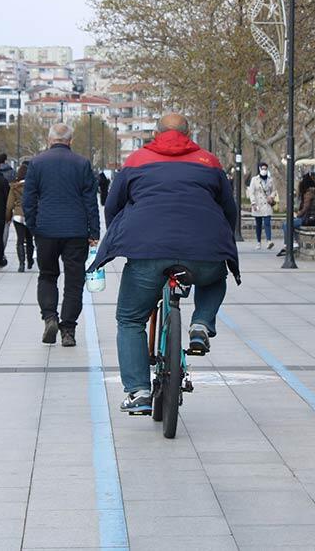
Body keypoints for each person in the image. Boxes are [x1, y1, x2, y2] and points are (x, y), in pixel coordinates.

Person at [90, 113, 240, 413]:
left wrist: (124, 234)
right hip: (203, 250)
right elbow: (228, 208)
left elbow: (113, 205)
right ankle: (201, 323)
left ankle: (139, 392)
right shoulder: (209, 162)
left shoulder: (137, 160)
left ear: (156, 133)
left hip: (147, 250)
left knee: (130, 319)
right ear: (189, 132)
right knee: (214, 278)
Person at [23, 123, 100, 347]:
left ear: (49, 140)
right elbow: (90, 201)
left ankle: (50, 317)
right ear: (70, 141)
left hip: (46, 229)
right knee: (74, 282)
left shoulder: (37, 163)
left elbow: (28, 199)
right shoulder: (82, 163)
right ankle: (68, 330)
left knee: (47, 275)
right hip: (76, 230)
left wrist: (33, 226)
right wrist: (94, 231)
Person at [278, 173, 315, 256]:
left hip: (309, 218)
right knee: (291, 223)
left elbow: (305, 208)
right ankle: (291, 243)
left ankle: (290, 244)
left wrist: (297, 214)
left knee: (287, 224)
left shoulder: (309, 193)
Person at [6, 163, 35, 273]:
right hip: (30, 214)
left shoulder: (14, 188)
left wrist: (8, 217)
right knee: (29, 239)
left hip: (18, 215)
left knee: (20, 240)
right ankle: (30, 260)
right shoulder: (33, 187)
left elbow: (9, 205)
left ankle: (21, 264)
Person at [248, 161, 279, 250]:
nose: (264, 170)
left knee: (267, 222)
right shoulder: (254, 179)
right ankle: (258, 242)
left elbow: (274, 190)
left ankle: (269, 241)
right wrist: (253, 203)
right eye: (263, 169)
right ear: (260, 169)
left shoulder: (270, 179)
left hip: (267, 204)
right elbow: (251, 192)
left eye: (265, 169)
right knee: (258, 224)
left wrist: (271, 197)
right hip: (258, 204)